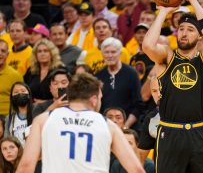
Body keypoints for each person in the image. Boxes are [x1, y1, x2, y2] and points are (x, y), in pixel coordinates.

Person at [142, 0, 203, 172]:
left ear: (199, 37)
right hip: (170, 132)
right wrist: (163, 12)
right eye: (181, 29)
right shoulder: (167, 57)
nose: (184, 33)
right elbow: (148, 45)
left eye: (190, 30)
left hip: (200, 131)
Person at [16, 73, 145, 173]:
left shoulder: (44, 119)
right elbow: (136, 169)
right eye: (100, 98)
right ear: (94, 99)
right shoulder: (108, 125)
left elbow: (26, 165)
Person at [96, 37, 144, 129]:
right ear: (102, 54)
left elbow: (138, 105)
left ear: (120, 53)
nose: (110, 55)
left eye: (113, 52)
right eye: (106, 52)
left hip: (128, 127)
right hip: (105, 127)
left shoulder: (131, 73)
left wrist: (125, 127)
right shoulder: (98, 76)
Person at [24, 39, 63, 103]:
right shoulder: (31, 71)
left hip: (54, 108)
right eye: (39, 51)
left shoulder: (60, 70)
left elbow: (64, 96)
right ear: (35, 55)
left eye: (46, 51)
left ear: (52, 53)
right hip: (33, 109)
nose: (42, 54)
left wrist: (44, 102)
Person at [4, 82, 33, 146]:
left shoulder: (37, 113)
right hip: (17, 155)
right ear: (12, 97)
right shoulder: (9, 118)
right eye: (16, 92)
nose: (20, 93)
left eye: (23, 91)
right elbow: (6, 141)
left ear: (29, 94)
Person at [0, 39, 23, 116]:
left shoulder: (15, 75)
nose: (0, 53)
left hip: (8, 119)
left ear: (7, 54)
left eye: (3, 51)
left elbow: (22, 100)